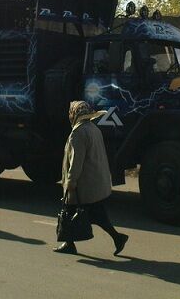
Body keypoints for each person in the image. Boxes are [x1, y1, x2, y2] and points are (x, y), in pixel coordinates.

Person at [54, 101, 128, 255]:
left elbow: (76, 161)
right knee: (97, 214)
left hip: (83, 183)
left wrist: (70, 181)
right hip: (95, 181)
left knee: (69, 211)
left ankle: (70, 244)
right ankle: (117, 238)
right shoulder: (94, 129)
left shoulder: (78, 133)